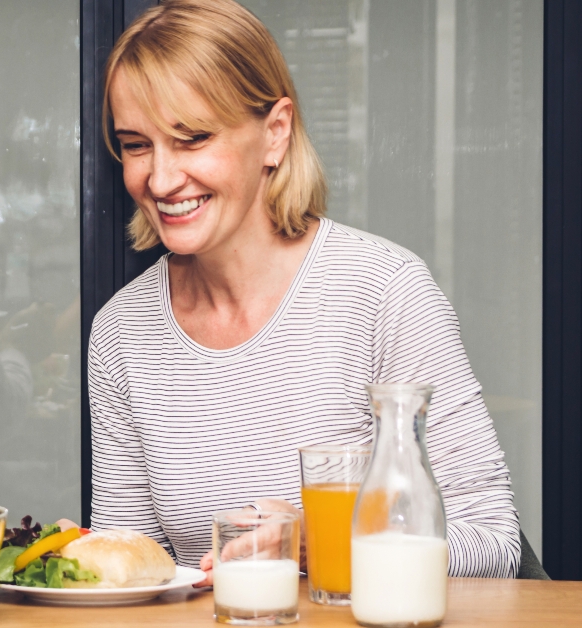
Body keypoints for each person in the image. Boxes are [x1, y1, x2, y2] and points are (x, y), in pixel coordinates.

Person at [88, 0, 520, 584]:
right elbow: (128, 564)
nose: (160, 179)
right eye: (137, 144)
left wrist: (326, 541)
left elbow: (494, 542)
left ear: (275, 133)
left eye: (192, 138)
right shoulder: (121, 331)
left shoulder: (385, 291)